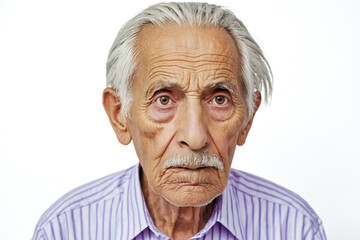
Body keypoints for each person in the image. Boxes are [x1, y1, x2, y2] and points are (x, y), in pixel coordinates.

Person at [32, 2, 327, 240]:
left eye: (219, 99)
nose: (195, 137)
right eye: (164, 99)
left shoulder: (294, 228)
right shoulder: (65, 229)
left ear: (247, 118)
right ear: (119, 115)